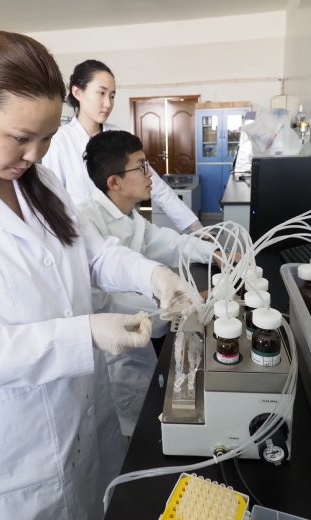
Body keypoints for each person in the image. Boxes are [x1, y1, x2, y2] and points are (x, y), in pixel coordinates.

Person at [0, 31, 192, 520]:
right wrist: (82, 335)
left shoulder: (41, 182)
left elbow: (95, 255)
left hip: (86, 417)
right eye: (20, 138)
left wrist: (155, 276)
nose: (35, 155)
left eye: (47, 139)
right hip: (15, 453)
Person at [80, 130, 217, 437]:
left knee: (149, 408)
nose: (149, 174)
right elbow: (106, 301)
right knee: (133, 431)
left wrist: (216, 253)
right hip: (115, 350)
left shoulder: (130, 217)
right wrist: (184, 300)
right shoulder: (87, 220)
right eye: (141, 166)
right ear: (114, 182)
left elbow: (170, 242)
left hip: (143, 340)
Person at [42, 59, 203, 233]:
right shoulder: (60, 141)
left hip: (128, 232)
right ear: (77, 92)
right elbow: (52, 202)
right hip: (85, 236)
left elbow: (157, 187)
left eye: (112, 96)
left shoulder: (118, 137)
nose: (108, 103)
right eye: (101, 93)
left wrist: (197, 228)